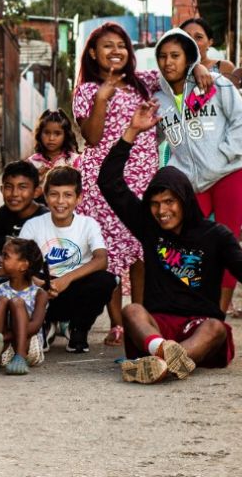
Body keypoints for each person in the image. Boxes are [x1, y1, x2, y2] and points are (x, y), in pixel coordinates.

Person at [72, 22, 210, 346]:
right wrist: (103, 98)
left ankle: (144, 316)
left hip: (144, 177)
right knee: (112, 253)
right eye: (107, 45)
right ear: (93, 52)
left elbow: (178, 74)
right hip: (105, 180)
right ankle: (118, 323)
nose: (116, 51)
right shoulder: (87, 90)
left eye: (121, 45)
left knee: (142, 250)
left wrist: (199, 63)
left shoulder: (144, 83)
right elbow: (91, 137)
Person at [98, 102, 242, 383]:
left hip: (199, 327)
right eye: (154, 204)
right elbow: (109, 183)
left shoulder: (217, 236)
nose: (161, 211)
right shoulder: (149, 227)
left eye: (169, 202)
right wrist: (132, 132)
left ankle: (159, 365)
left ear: (185, 201)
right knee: (133, 310)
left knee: (216, 327)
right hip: (156, 327)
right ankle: (166, 354)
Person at [154, 28, 242, 315]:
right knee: (187, 243)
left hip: (228, 172)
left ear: (189, 56)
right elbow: (154, 140)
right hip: (190, 183)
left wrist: (224, 154)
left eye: (176, 56)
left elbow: (240, 119)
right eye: (163, 56)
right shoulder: (158, 99)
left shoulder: (215, 83)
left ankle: (218, 316)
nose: (169, 62)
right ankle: (194, 308)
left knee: (227, 242)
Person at [19, 167, 115, 353]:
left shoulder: (87, 224)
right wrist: (39, 283)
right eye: (54, 194)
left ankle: (78, 328)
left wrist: (66, 280)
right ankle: (44, 324)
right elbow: (20, 261)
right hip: (42, 291)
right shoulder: (33, 225)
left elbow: (101, 259)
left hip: (73, 291)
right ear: (45, 197)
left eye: (68, 195)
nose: (61, 201)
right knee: (18, 278)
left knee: (106, 280)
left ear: (78, 198)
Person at [0, 238, 50, 375]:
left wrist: (5, 337)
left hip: (28, 346)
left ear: (23, 265)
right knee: (0, 301)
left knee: (17, 303)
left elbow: (35, 326)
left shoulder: (39, 293)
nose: (0, 259)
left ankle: (20, 356)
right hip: (3, 349)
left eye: (5, 256)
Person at [26, 109, 80, 186]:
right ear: (39, 134)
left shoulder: (74, 161)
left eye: (57, 133)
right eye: (47, 133)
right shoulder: (32, 163)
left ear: (66, 135)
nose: (51, 138)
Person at [180, 17, 238, 86]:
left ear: (210, 42)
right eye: (186, 36)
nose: (192, 41)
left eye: (199, 37)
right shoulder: (172, 69)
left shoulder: (224, 67)